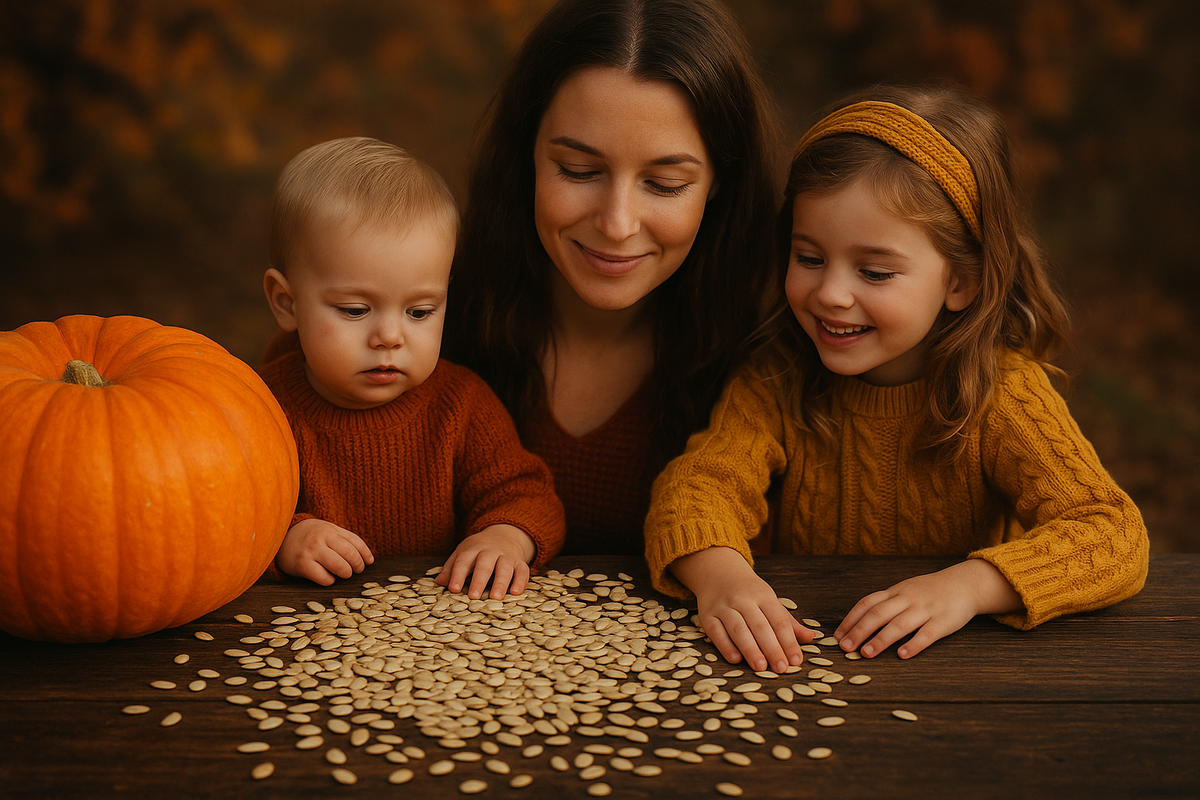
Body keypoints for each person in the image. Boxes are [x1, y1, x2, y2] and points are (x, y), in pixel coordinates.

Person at [644, 84, 1150, 673]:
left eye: (876, 271)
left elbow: (1111, 533)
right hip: (813, 662)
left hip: (967, 675)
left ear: (963, 281)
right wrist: (722, 577)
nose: (831, 294)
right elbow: (697, 487)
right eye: (809, 258)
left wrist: (967, 588)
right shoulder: (777, 378)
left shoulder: (1002, 393)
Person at [441, 0, 781, 555]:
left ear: (720, 181)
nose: (617, 225)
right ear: (525, 153)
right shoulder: (419, 312)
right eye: (578, 171)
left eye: (665, 183)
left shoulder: (769, 360)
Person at [259, 137, 565, 598]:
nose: (390, 336)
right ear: (287, 303)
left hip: (440, 636)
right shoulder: (260, 408)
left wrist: (503, 537)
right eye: (355, 310)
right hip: (302, 634)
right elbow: (224, 514)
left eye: (419, 312)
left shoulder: (460, 405)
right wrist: (285, 538)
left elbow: (527, 495)